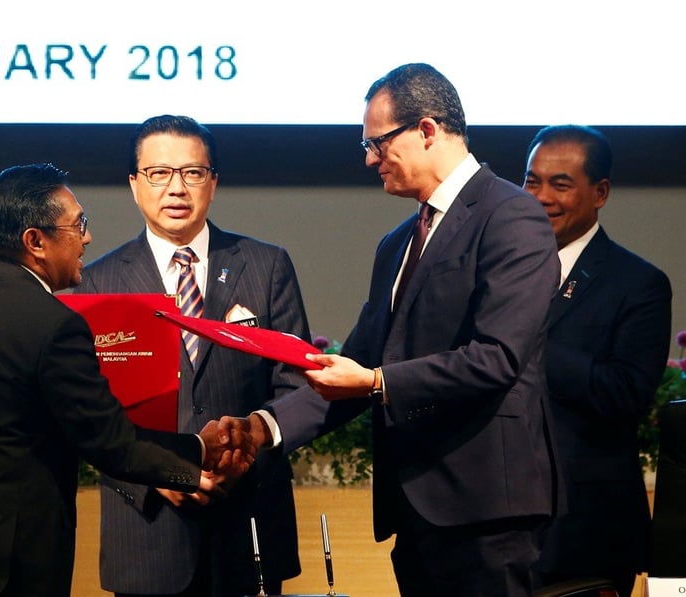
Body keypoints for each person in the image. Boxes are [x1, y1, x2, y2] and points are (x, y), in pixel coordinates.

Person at [226, 63, 563, 596]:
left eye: (378, 143)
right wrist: (263, 427)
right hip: (415, 511)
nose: (369, 159)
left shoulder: (511, 215)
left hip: (486, 512)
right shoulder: (397, 243)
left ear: (427, 130)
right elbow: (354, 363)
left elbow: (497, 357)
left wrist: (379, 381)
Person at [0, 163, 254, 597]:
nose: (88, 238)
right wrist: (200, 448)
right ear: (34, 241)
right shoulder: (54, 325)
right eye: (78, 224)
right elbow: (110, 444)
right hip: (9, 564)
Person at [75, 114, 310, 596]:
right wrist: (153, 471)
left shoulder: (266, 267)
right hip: (147, 530)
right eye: (159, 173)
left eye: (192, 172)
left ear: (213, 183)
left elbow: (298, 384)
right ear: (134, 185)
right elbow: (87, 412)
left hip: (248, 523)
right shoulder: (98, 284)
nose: (176, 188)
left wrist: (248, 446)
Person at [522, 125, 672, 597]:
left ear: (600, 192)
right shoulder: (496, 271)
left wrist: (525, 339)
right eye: (531, 181)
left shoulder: (638, 283)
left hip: (584, 533)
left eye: (560, 184)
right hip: (492, 528)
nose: (541, 197)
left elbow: (624, 394)